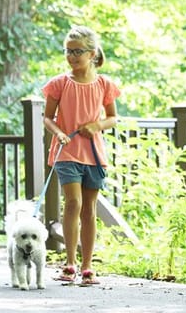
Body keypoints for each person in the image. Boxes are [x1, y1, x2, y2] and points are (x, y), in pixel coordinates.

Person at [41, 25, 120, 286]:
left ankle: (88, 266)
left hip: (94, 154)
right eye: (68, 51)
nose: (72, 57)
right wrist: (59, 133)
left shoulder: (104, 85)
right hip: (67, 152)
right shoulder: (59, 84)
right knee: (72, 203)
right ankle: (69, 262)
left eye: (77, 52)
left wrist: (97, 125)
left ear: (92, 54)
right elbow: (47, 118)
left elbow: (112, 118)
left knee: (89, 209)